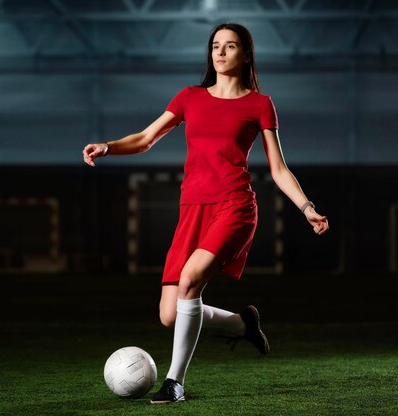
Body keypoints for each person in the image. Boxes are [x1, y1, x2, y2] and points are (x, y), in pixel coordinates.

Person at [83, 22, 329, 404]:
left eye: (230, 46)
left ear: (245, 55)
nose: (220, 52)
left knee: (191, 278)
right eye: (216, 45)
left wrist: (306, 207)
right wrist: (108, 146)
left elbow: (279, 168)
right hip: (192, 210)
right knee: (170, 314)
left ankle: (173, 382)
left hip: (234, 206)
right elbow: (146, 139)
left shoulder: (259, 104)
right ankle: (242, 323)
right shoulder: (189, 97)